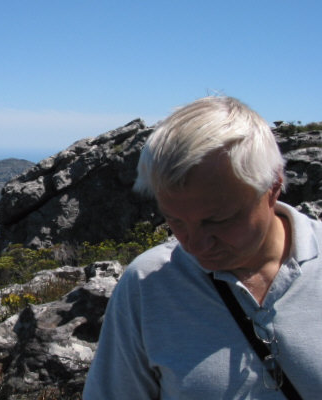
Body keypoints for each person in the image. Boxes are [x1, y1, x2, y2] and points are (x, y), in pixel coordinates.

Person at [85, 95, 321, 398]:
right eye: (176, 221)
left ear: (273, 187)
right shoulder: (147, 284)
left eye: (218, 221)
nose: (194, 245)